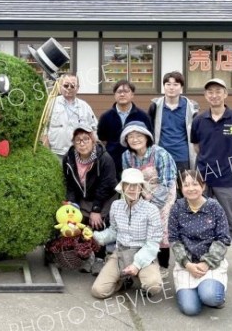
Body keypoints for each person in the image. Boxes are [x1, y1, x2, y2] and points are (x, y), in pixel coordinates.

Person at [191, 78, 232, 284]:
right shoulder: (199, 120)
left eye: (218, 91)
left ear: (225, 94)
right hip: (203, 181)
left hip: (227, 180)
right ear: (206, 96)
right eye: (210, 92)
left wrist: (225, 167)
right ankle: (206, 260)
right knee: (202, 222)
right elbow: (197, 148)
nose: (214, 95)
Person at [90, 168, 163, 299]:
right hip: (120, 253)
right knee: (98, 291)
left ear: (141, 187)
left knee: (153, 286)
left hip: (143, 253)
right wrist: (94, 236)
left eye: (136, 185)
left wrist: (137, 265)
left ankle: (141, 276)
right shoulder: (115, 206)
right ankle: (123, 281)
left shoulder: (151, 210)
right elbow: (113, 232)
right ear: (122, 187)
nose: (132, 188)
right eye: (128, 184)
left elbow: (153, 243)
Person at [168, 170, 230, 316]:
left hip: (210, 263)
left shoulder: (214, 207)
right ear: (180, 188)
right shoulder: (177, 208)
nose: (191, 188)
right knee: (190, 309)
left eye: (195, 184)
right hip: (187, 264)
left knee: (210, 297)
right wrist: (187, 264)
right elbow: (174, 239)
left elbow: (223, 238)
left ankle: (212, 292)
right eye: (186, 185)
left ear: (203, 186)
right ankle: (197, 289)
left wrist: (207, 263)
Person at [121, 121, 177, 279]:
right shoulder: (126, 156)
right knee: (141, 226)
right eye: (130, 137)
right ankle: (146, 262)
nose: (135, 139)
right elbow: (128, 179)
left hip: (163, 194)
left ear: (147, 137)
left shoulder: (160, 153)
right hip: (140, 192)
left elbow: (167, 182)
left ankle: (164, 265)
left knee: (160, 229)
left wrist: (152, 205)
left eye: (138, 135)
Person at [63, 125, 117, 275]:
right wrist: (72, 204)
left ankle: (100, 258)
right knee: (80, 222)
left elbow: (107, 185)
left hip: (105, 196)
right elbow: (70, 184)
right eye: (78, 140)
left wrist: (96, 210)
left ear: (93, 140)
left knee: (98, 222)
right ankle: (87, 256)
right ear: (73, 143)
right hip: (84, 196)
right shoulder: (69, 158)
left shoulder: (104, 158)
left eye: (86, 139)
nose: (82, 143)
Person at [148, 71, 199, 198]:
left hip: (183, 156)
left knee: (185, 190)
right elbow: (149, 131)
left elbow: (196, 132)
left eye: (176, 84)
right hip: (161, 156)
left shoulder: (190, 107)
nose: (171, 87)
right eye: (168, 84)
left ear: (181, 88)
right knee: (163, 192)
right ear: (163, 86)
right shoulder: (155, 106)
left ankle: (184, 217)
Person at [97, 80, 152, 178]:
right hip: (112, 164)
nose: (122, 94)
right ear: (114, 95)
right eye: (119, 92)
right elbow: (102, 140)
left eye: (126, 91)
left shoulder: (143, 116)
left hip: (137, 164)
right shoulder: (106, 117)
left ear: (132, 95)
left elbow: (150, 140)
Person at [43, 74, 97, 161]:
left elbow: (94, 127)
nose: (69, 88)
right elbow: (44, 127)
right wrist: (46, 150)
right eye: (66, 85)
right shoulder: (51, 104)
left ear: (78, 88)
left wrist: (91, 148)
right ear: (60, 87)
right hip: (55, 154)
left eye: (72, 85)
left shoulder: (84, 106)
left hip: (79, 154)